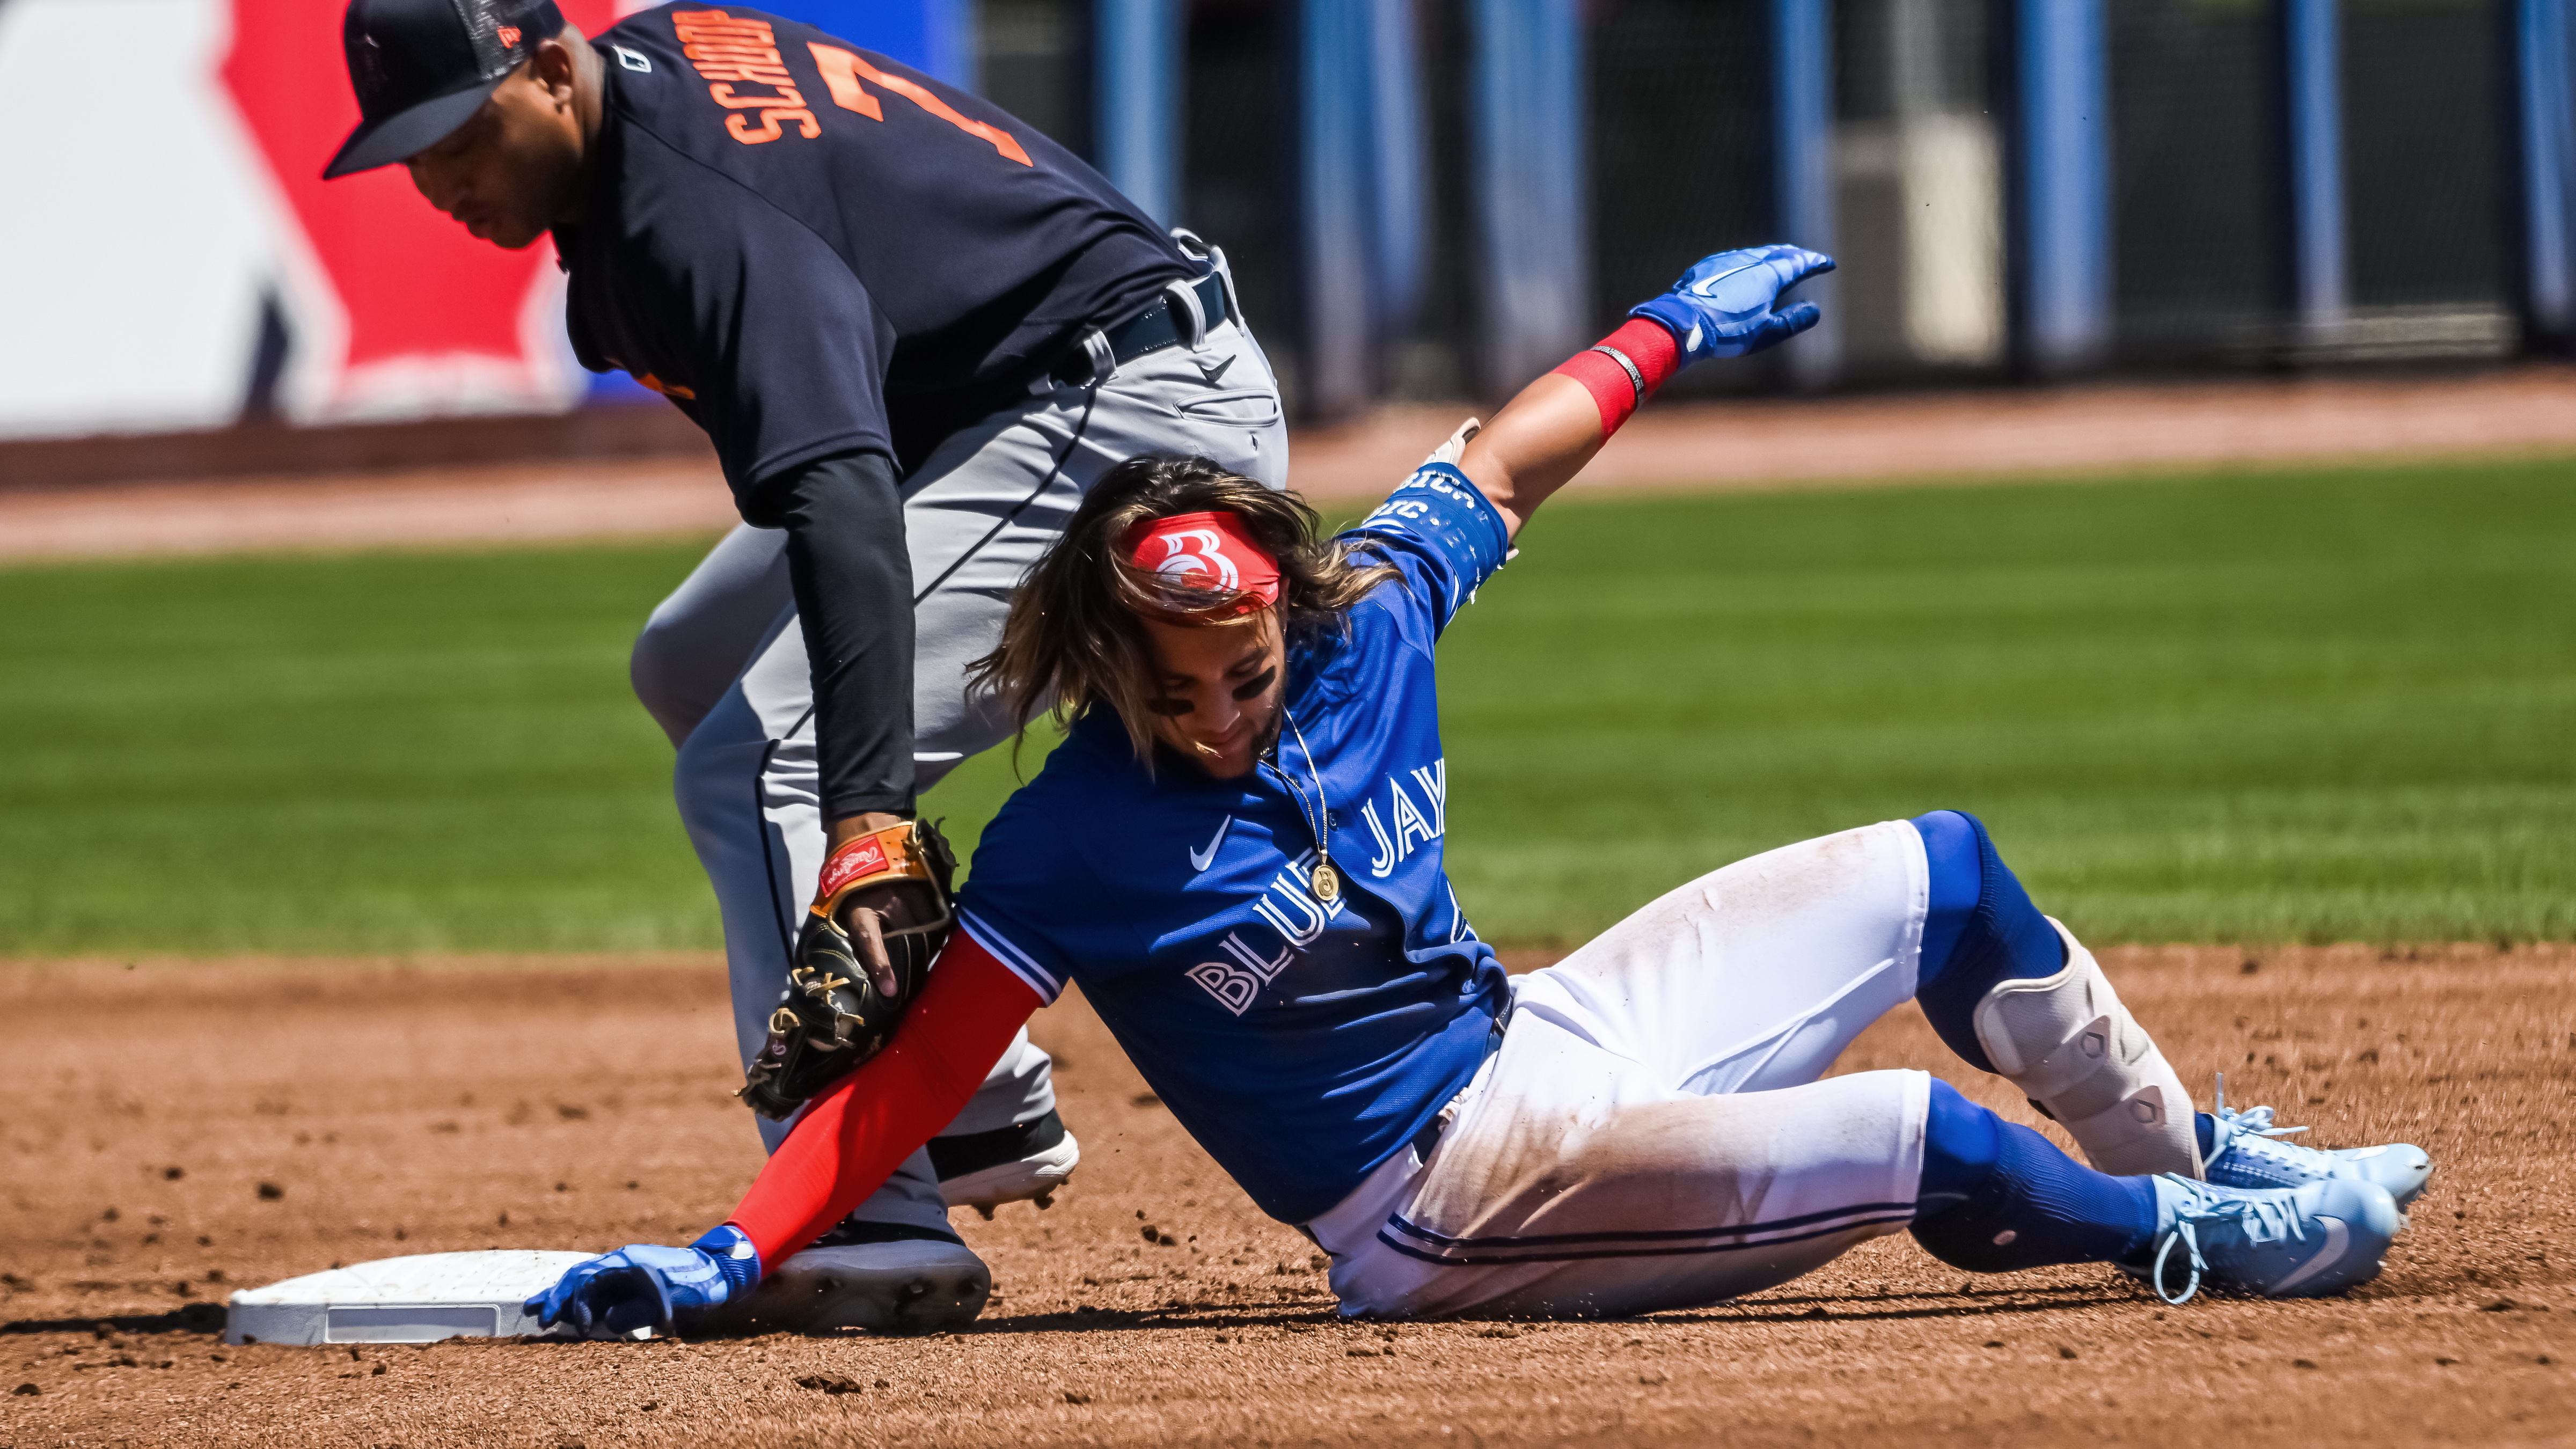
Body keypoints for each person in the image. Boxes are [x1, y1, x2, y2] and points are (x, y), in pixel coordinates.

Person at [526, 247, 2433, 1336]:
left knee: (1944, 871)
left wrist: (1668, 325)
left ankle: (2198, 1157)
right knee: (1910, 1138)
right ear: (1111, 666)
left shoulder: (1360, 619)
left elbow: (1508, 464)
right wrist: (733, 1245)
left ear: (1288, 608)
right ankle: (2198, 1252)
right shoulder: (1072, 842)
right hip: (1437, 1206)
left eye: (1246, 672)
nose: (1219, 712)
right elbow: (917, 1084)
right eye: (1175, 687)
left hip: (1541, 1044)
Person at [325, 0, 1293, 1328]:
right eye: (414, 151)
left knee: (762, 759)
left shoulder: (691, 208)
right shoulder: (652, 95)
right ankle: (980, 1103)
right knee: (688, 661)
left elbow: (841, 503)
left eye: (461, 136)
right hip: (1023, 405)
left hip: (1124, 420)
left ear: (553, 72)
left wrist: (869, 822)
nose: (439, 180)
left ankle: (869, 1207)